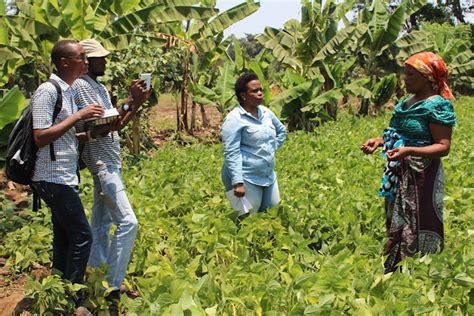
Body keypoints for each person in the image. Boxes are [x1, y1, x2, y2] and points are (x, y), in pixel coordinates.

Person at [71, 39, 150, 308]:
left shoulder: (99, 87)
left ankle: (96, 276)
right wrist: (130, 101)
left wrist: (136, 103)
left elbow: (116, 125)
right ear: (86, 62)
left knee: (101, 224)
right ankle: (113, 287)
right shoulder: (82, 86)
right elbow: (99, 126)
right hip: (102, 164)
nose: (105, 62)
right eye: (100, 58)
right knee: (129, 223)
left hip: (108, 161)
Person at [361, 52, 456, 273]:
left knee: (419, 217)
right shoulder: (405, 102)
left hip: (422, 172)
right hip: (398, 170)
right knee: (395, 214)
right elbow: (395, 133)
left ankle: (421, 268)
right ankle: (395, 265)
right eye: (406, 73)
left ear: (427, 78)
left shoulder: (437, 106)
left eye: (411, 74)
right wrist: (378, 141)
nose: (405, 78)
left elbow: (443, 146)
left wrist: (410, 151)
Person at [31, 40, 104, 313]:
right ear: (64, 63)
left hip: (64, 175)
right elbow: (40, 137)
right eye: (81, 58)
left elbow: (63, 135)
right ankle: (74, 301)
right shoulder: (47, 91)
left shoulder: (68, 91)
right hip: (50, 177)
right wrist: (79, 116)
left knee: (64, 236)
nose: (86, 62)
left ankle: (59, 291)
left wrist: (94, 128)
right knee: (82, 234)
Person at [221, 72, 287, 214]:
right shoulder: (234, 119)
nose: (260, 93)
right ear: (243, 95)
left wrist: (270, 148)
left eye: (261, 90)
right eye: (254, 91)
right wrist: (238, 183)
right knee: (248, 219)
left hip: (268, 175)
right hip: (247, 176)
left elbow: (282, 131)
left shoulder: (266, 112)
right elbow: (231, 152)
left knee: (273, 212)